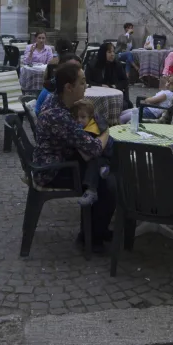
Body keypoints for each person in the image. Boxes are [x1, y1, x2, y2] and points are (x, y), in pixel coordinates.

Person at [31, 62, 115, 244]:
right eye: (83, 82)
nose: (86, 86)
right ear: (69, 87)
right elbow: (93, 148)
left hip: (59, 158)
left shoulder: (59, 101)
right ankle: (92, 238)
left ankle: (94, 231)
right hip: (53, 170)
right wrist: (106, 131)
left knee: (103, 167)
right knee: (108, 180)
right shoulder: (57, 115)